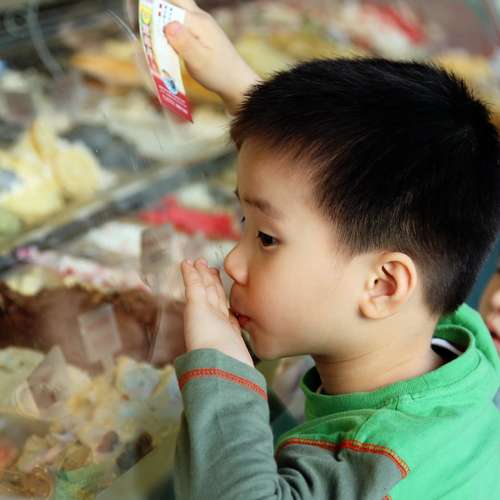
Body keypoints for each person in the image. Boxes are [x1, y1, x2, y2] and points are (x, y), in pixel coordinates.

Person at [163, 2, 500, 498]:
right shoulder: (449, 344)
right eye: (245, 223)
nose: (233, 262)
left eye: (266, 238)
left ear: (383, 285)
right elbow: (326, 190)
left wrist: (220, 366)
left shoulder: (379, 466)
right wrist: (233, 79)